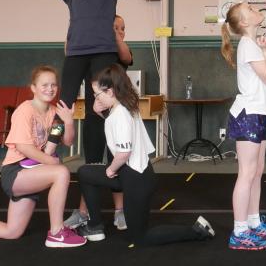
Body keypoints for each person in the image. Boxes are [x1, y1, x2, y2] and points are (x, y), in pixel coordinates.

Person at [31, 0, 150, 176]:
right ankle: (49, 149)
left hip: (104, 53)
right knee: (65, 104)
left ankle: (107, 160)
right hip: (76, 54)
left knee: (103, 106)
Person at [76, 65, 214, 246]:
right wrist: (99, 112)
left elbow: (124, 152)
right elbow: (117, 129)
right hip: (132, 174)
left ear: (109, 92)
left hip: (136, 180)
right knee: (85, 173)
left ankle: (197, 231)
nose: (96, 98)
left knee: (140, 238)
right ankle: (94, 226)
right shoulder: (126, 107)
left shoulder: (120, 115)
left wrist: (110, 169)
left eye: (97, 94)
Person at [0, 66, 85, 248]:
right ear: (33, 88)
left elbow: (68, 141)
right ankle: (56, 233)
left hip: (34, 172)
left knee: (12, 232)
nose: (50, 89)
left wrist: (69, 122)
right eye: (44, 85)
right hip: (16, 172)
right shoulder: (25, 110)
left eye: (53, 85)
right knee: (61, 172)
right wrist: (51, 161)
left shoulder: (55, 112)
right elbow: (24, 147)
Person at [63, 14, 133, 231]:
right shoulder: (89, 50)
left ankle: (120, 211)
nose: (119, 31)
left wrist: (115, 35)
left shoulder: (119, 52)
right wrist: (77, 28)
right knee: (91, 163)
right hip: (95, 117)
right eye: (115, 27)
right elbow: (69, 50)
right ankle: (84, 212)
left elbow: (127, 58)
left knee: (118, 161)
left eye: (122, 28)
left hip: (117, 118)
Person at [221, 2, 266, 250]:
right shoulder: (248, 45)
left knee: (257, 171)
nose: (257, 8)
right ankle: (239, 231)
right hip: (248, 115)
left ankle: (254, 222)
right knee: (246, 173)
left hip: (259, 112)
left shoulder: (254, 43)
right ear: (245, 22)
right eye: (251, 8)